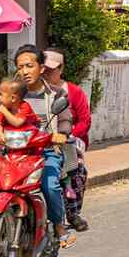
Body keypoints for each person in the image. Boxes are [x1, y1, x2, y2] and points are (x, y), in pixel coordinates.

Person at [0, 45, 72, 247]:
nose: (25, 71)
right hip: (13, 152)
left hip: (45, 151)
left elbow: (64, 120)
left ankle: (59, 227)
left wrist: (61, 134)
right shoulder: (12, 93)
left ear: (41, 67)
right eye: (21, 67)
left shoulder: (55, 94)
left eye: (30, 65)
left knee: (50, 185)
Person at [42, 49, 92, 232]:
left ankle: (72, 213)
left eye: (51, 69)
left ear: (61, 69)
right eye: (44, 69)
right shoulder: (33, 90)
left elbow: (85, 121)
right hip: (40, 138)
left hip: (70, 138)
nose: (47, 73)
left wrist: (67, 136)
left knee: (76, 167)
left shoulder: (73, 91)